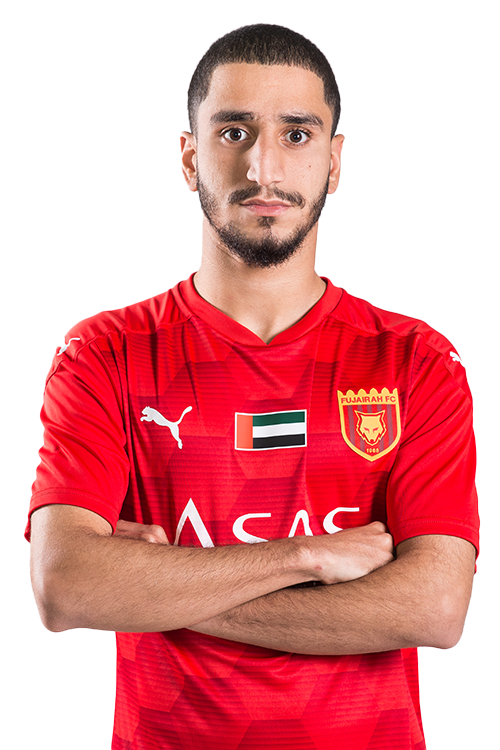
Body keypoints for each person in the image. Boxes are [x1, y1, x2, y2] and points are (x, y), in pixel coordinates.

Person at [26, 23, 479, 750]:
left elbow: (436, 608)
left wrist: (152, 588)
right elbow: (66, 586)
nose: (263, 167)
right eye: (234, 132)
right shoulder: (104, 353)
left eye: (296, 135)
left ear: (334, 162)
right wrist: (305, 557)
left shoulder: (414, 360)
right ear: (190, 156)